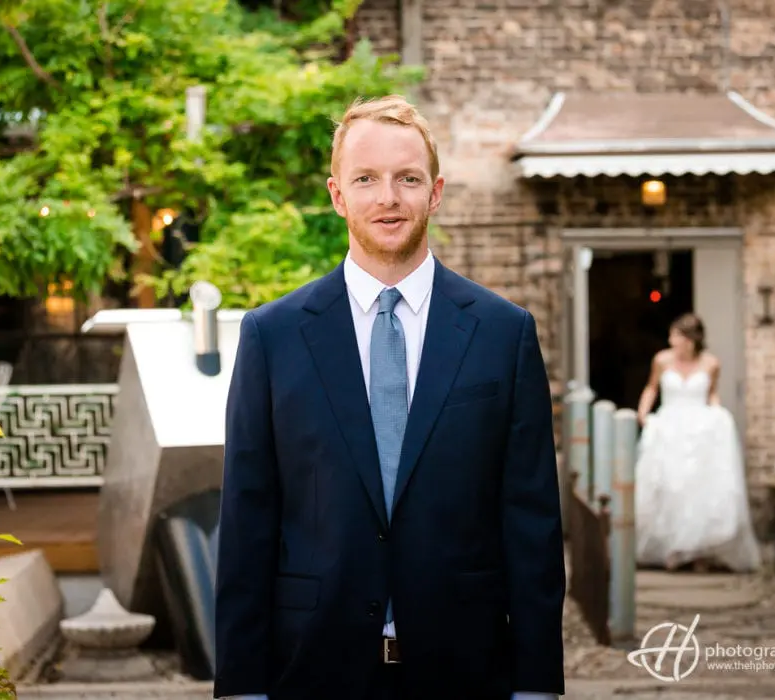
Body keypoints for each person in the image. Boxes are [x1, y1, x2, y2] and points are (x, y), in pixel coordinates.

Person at [214, 95, 565, 700]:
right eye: (366, 179)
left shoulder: (504, 333)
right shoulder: (271, 336)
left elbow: (531, 521)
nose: (388, 198)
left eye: (407, 178)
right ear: (337, 195)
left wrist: (537, 683)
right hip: (312, 668)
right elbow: (248, 519)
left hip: (467, 668)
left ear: (435, 192)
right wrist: (242, 686)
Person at [633, 313, 762, 573]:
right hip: (670, 426)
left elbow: (711, 393)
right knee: (670, 487)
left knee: (698, 490)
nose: (671, 340)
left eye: (676, 336)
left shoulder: (711, 364)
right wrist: (643, 413)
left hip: (699, 427)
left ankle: (698, 551)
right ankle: (671, 548)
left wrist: (719, 417)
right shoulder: (662, 360)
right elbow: (652, 388)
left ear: (690, 340)